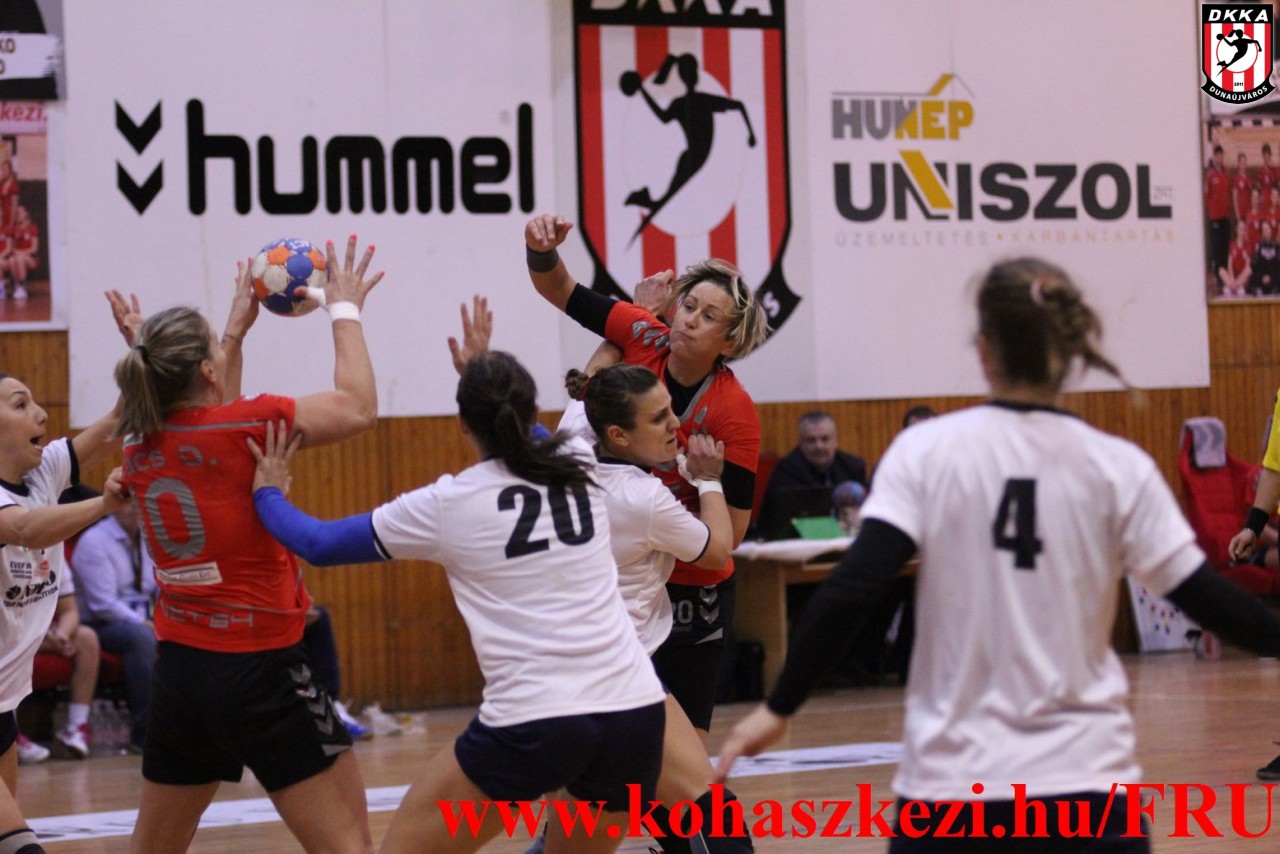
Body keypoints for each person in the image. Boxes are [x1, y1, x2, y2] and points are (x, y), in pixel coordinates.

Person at [715, 257, 1280, 851]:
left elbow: (853, 588)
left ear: (983, 350)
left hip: (951, 795)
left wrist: (779, 707)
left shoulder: (925, 452)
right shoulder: (1118, 467)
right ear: (1072, 355)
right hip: (1086, 793)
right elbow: (1209, 599)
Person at [251, 349, 667, 853]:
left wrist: (267, 494)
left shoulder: (451, 502)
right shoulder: (580, 463)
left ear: (463, 425)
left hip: (537, 721)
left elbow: (319, 544)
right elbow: (533, 436)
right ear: (531, 411)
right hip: (635, 715)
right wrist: (486, 373)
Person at [113, 236, 382, 854]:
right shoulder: (246, 425)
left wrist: (231, 333)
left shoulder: (137, 444)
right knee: (350, 845)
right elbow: (358, 408)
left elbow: (209, 414)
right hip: (263, 669)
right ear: (206, 371)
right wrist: (344, 308)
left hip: (181, 670)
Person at [525, 213, 768, 742]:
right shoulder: (642, 332)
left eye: (708, 316)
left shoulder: (733, 412)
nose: (689, 319)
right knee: (620, 745)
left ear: (728, 344)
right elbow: (560, 288)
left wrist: (701, 485)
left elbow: (732, 534)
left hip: (692, 586)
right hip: (627, 577)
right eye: (689, 305)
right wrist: (541, 249)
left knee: (683, 755)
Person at [0, 300, 135, 852]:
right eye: (20, 404)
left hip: (4, 699)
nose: (41, 414)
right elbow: (26, 528)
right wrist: (104, 504)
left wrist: (138, 349)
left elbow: (123, 416)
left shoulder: (44, 475)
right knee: (19, 842)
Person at [70, 502, 156, 750]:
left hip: (142, 618)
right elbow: (103, 604)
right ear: (113, 507)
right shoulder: (94, 541)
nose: (135, 509)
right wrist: (144, 623)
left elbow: (157, 586)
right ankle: (146, 733)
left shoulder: (149, 538)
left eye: (140, 503)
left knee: (185, 633)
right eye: (128, 503)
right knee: (141, 638)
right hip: (98, 624)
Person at [755, 411, 867, 540]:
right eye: (811, 440)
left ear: (835, 441)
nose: (819, 446)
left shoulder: (853, 467)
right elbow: (777, 521)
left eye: (825, 439)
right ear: (801, 443)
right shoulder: (786, 471)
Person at [37, 577, 99, 759]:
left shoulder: (57, 561)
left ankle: (76, 728)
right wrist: (43, 638)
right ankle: (10, 733)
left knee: (86, 638)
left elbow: (70, 611)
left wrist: (61, 636)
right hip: (13, 633)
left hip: (47, 633)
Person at [1207, 144, 1232, 283]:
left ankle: (1224, 277)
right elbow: (1207, 196)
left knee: (1225, 247)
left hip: (1225, 217)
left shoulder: (1226, 173)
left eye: (1222, 156)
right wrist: (1212, 214)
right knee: (1216, 248)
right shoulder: (1210, 175)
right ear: (1214, 157)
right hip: (1215, 218)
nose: (1220, 158)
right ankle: (1217, 276)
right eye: (1218, 156)